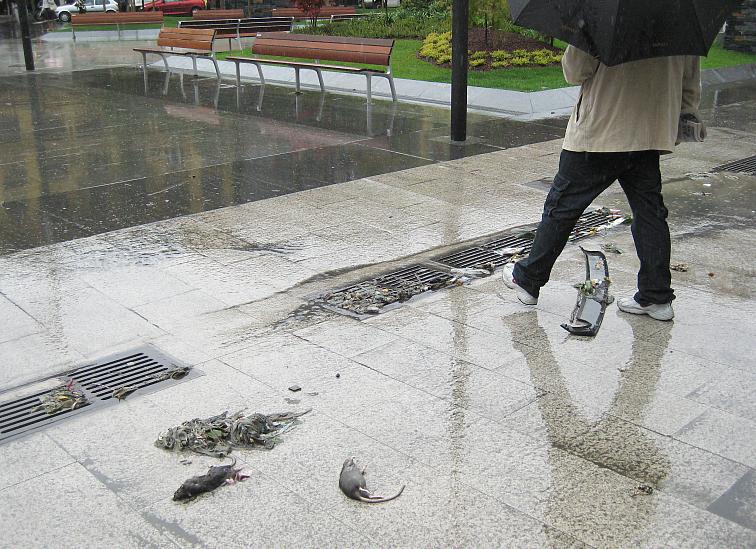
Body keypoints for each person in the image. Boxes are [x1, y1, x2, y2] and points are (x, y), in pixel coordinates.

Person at [502, 46, 703, 321]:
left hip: (600, 130)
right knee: (650, 213)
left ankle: (528, 279)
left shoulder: (602, 10)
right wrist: (683, 118)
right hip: (649, 131)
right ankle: (656, 297)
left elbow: (575, 71)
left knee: (562, 206)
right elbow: (689, 78)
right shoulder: (677, 14)